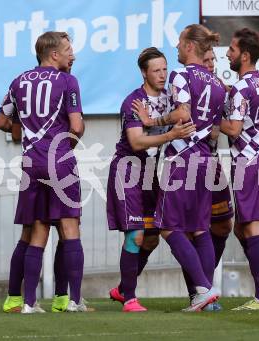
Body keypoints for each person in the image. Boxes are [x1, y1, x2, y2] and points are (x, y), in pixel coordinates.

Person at [135, 24, 226, 311]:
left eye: (179, 42)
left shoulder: (183, 75)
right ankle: (207, 295)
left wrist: (151, 121)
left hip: (183, 158)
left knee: (166, 227)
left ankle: (202, 290)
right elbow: (214, 130)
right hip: (206, 160)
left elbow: (183, 113)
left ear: (189, 46)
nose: (175, 47)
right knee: (200, 229)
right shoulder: (217, 83)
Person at [0, 31, 85, 313]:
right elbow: (77, 126)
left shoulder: (19, 81)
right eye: (69, 49)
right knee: (69, 227)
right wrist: (65, 143)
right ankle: (72, 301)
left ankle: (26, 302)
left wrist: (23, 132)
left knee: (35, 229)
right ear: (54, 54)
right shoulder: (67, 80)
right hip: (59, 159)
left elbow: (1, 121)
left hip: (30, 162)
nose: (73, 54)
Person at [106, 47, 196, 312]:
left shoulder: (170, 98)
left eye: (165, 69)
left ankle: (123, 288)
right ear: (144, 72)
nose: (162, 74)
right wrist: (170, 135)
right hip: (128, 170)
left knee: (152, 238)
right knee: (135, 235)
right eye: (156, 70)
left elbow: (184, 113)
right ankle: (130, 298)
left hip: (149, 172)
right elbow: (135, 142)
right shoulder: (134, 101)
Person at [219, 28, 259, 310]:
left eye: (231, 50)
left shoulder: (243, 87)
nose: (227, 54)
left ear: (244, 55)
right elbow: (258, 118)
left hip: (248, 161)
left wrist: (208, 119)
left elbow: (233, 128)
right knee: (241, 229)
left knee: (251, 224)